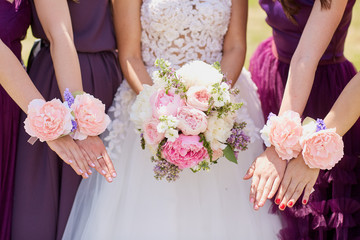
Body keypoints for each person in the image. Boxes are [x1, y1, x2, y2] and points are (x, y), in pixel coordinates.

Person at [63, 0, 282, 239]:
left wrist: (214, 102)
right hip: (150, 97)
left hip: (220, 94)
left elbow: (236, 47)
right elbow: (130, 56)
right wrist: (161, 108)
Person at [245, 0, 360, 238]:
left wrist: (301, 146)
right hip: (274, 76)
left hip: (324, 96)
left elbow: (306, 57)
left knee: (312, 212)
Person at [11, 0, 122, 239]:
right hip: (52, 81)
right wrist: (76, 120)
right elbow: (60, 35)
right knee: (42, 196)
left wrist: (85, 121)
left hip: (107, 78)